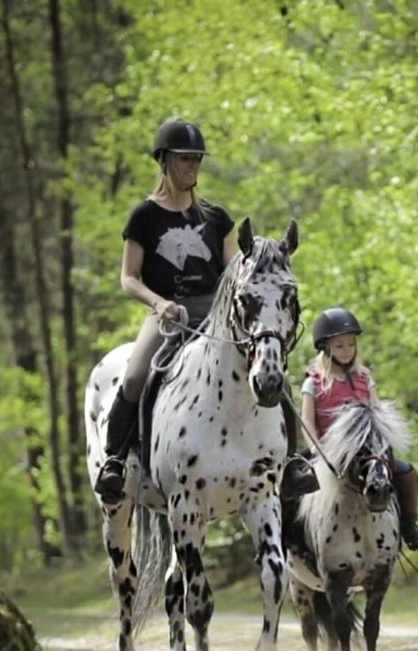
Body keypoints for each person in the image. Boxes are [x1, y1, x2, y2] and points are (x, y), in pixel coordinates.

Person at [94, 118, 316, 504]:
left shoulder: (216, 218)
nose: (192, 167)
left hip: (217, 314)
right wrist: (158, 303)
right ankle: (115, 461)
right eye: (184, 159)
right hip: (166, 315)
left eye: (197, 159)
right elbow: (128, 278)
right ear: (164, 161)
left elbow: (236, 274)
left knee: (274, 369)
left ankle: (294, 460)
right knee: (134, 376)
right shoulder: (144, 217)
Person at [300, 307, 418, 550]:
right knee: (293, 482)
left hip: (365, 452)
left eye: (350, 344)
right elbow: (307, 421)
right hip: (330, 452)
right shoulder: (314, 382)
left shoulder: (364, 378)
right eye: (339, 346)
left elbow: (377, 412)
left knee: (407, 473)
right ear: (326, 348)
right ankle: (289, 538)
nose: (346, 350)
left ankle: (409, 526)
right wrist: (317, 451)